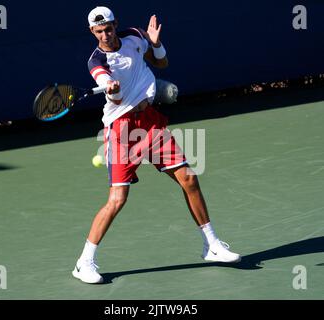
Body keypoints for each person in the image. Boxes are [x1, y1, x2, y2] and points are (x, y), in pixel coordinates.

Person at [72, 6, 241, 284]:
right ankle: (84, 262)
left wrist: (156, 43)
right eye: (99, 31)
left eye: (109, 28)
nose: (105, 34)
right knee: (117, 200)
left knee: (188, 177)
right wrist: (112, 90)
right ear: (92, 32)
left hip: (150, 122)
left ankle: (211, 245)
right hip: (121, 129)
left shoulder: (135, 36)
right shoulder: (97, 61)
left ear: (116, 24)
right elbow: (107, 87)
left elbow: (160, 63)